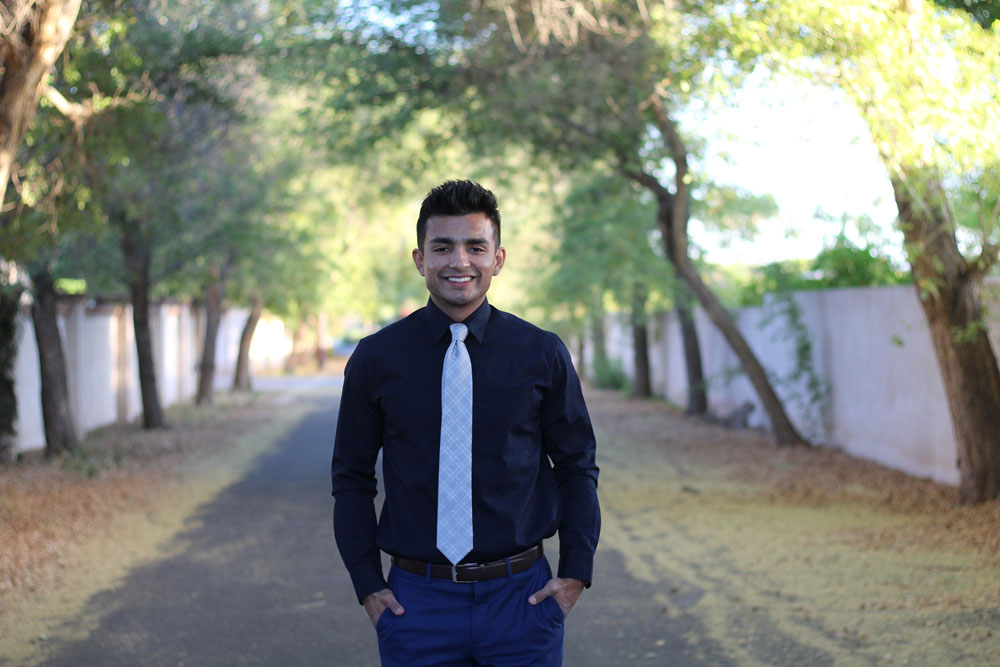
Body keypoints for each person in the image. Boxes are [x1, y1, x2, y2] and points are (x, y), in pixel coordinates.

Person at [331, 179, 600, 666]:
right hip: (416, 604)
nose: (460, 262)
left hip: (523, 601)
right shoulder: (376, 358)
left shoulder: (542, 353)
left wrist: (576, 571)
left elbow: (577, 466)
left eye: (476, 246)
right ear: (420, 259)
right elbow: (350, 478)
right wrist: (368, 585)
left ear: (497, 259)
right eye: (443, 247)